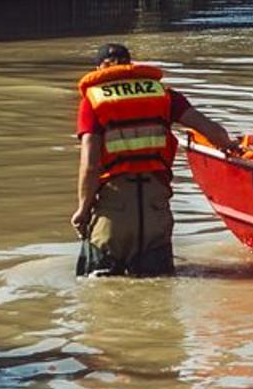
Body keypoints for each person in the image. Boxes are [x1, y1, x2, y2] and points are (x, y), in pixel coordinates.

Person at [73, 42, 241, 276]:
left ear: (99, 69)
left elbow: (90, 165)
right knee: (160, 283)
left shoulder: (93, 101)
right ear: (130, 64)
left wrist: (82, 210)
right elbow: (210, 129)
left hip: (114, 209)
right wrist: (231, 146)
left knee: (98, 288)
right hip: (155, 207)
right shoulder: (163, 94)